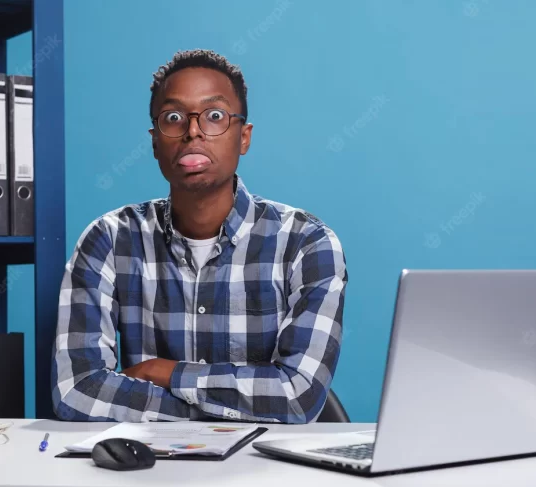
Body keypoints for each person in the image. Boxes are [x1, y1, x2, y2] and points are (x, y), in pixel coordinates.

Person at [52, 49, 348, 423]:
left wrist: (165, 372)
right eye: (173, 118)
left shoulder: (306, 243)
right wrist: (224, 410)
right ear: (155, 141)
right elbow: (77, 391)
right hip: (148, 472)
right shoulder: (109, 240)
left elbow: (298, 396)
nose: (193, 131)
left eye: (214, 116)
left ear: (244, 137)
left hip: (267, 474)